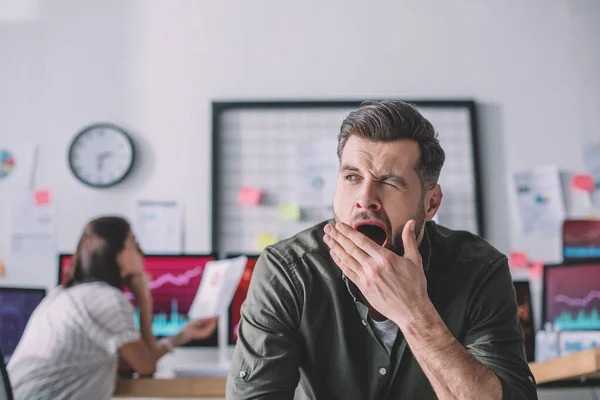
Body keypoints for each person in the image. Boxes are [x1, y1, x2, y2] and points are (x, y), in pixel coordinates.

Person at [226, 101, 538, 399]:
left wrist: (414, 312)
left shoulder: (479, 270)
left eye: (389, 182)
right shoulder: (287, 271)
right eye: (351, 177)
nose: (365, 199)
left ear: (431, 203)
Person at [8, 216, 217, 400]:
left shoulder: (63, 294)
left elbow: (126, 365)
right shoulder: (106, 299)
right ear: (116, 255)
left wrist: (183, 335)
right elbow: (146, 366)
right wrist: (144, 300)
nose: (141, 253)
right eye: (134, 244)